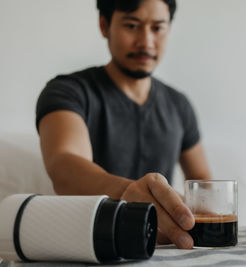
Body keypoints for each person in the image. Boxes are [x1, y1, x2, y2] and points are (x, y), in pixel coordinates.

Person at [35, 0, 211, 249]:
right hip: (90, 244)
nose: (146, 42)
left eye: (158, 28)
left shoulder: (178, 104)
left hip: (161, 247)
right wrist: (130, 192)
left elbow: (203, 180)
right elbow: (64, 164)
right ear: (104, 25)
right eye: (131, 25)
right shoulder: (68, 91)